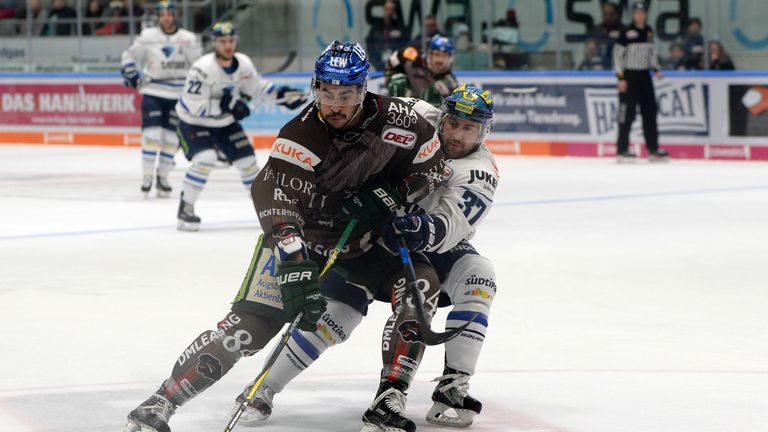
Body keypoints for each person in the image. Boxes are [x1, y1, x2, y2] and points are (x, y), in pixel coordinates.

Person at [119, 40, 444, 432]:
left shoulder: (402, 121)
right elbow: (275, 201)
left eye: (346, 94)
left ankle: (390, 396)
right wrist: (293, 260)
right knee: (245, 331)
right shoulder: (300, 134)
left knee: (420, 288)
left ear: (363, 90)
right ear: (315, 88)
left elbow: (435, 166)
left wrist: (392, 194)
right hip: (304, 241)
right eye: (326, 93)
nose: (335, 104)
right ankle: (162, 401)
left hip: (370, 242)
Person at [233, 85, 498, 430]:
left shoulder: (480, 171)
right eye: (452, 123)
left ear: (483, 133)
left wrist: (420, 225)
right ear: (442, 116)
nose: (455, 134)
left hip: (427, 247)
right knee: (336, 316)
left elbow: (450, 225)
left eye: (468, 128)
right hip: (366, 235)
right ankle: (263, 387)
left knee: (478, 274)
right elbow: (364, 110)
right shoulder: (416, 113)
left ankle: (446, 385)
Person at [173, 21, 306, 231]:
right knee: (205, 159)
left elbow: (257, 88)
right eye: (222, 41)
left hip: (225, 124)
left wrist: (282, 95)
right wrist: (227, 104)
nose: (227, 46)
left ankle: (268, 209)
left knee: (248, 164)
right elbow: (192, 105)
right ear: (214, 43)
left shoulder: (243, 63)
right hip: (193, 122)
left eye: (231, 40)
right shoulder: (202, 68)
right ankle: (186, 208)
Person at [120, 0, 201, 198]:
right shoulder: (148, 36)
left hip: (178, 95)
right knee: (151, 136)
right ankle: (147, 177)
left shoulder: (188, 38)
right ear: (158, 16)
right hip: (153, 91)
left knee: (171, 140)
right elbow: (129, 55)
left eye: (169, 13)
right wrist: (129, 69)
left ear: (175, 15)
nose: (166, 17)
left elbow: (199, 66)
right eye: (162, 14)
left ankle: (162, 177)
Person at [612, 0, 669, 162]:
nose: (640, 16)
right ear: (633, 15)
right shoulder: (626, 32)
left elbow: (651, 53)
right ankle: (622, 149)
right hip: (630, 77)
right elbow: (617, 55)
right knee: (626, 115)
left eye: (642, 13)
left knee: (650, 113)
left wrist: (656, 69)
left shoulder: (648, 31)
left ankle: (653, 149)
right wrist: (620, 77)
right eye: (637, 13)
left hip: (645, 77)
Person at [385, 34, 458, 107]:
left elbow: (452, 110)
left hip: (425, 114)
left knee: (433, 91)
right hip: (404, 106)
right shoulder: (414, 58)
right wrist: (390, 78)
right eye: (437, 54)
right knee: (398, 79)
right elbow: (392, 60)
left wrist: (444, 96)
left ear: (450, 58)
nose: (440, 60)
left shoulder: (451, 82)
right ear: (430, 54)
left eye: (444, 56)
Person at [365, 0, 409, 70]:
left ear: (394, 11)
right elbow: (370, 44)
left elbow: (404, 45)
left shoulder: (400, 27)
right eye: (387, 9)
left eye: (391, 9)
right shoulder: (376, 27)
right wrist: (376, 62)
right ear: (384, 9)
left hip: (396, 65)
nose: (388, 12)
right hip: (378, 64)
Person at [590, 1, 625, 69]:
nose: (608, 17)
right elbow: (590, 49)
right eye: (605, 14)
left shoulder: (624, 30)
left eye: (611, 14)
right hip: (599, 66)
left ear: (617, 15)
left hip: (620, 66)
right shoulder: (596, 29)